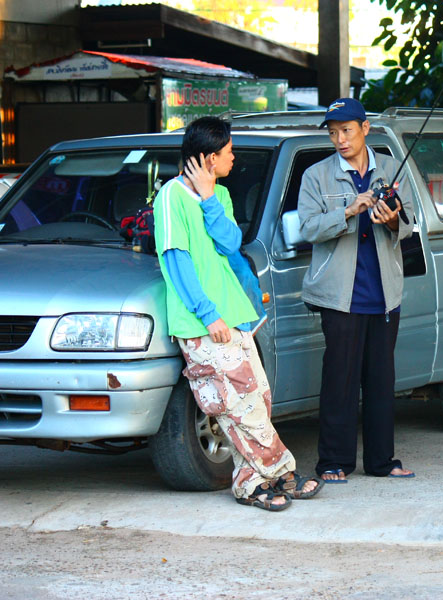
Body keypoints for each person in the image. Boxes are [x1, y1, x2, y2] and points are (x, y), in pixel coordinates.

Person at [154, 116, 322, 510]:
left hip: (235, 317)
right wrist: (208, 314)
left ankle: (253, 481)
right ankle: (279, 474)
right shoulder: (170, 198)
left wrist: (210, 197)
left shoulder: (220, 196)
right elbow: (177, 262)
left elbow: (231, 243)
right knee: (237, 405)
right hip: (203, 322)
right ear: (210, 157)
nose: (234, 158)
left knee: (256, 400)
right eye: (228, 152)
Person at [297, 98, 415, 482]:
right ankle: (333, 462)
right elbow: (308, 229)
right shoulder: (317, 176)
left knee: (382, 382)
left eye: (346, 131)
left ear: (365, 129)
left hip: (384, 294)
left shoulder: (394, 169)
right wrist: (349, 210)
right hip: (339, 296)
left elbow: (412, 226)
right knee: (339, 381)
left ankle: (383, 462)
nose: (340, 139)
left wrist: (393, 219)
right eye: (333, 133)